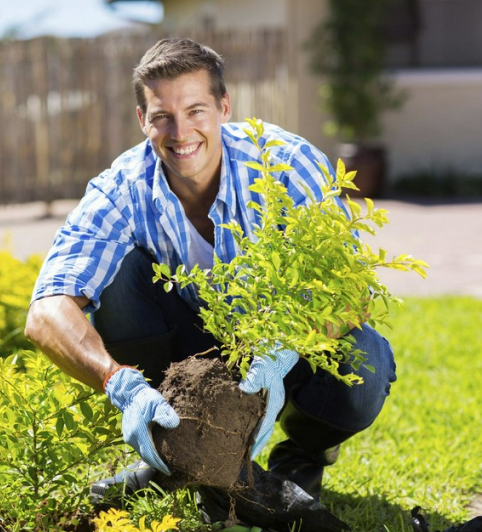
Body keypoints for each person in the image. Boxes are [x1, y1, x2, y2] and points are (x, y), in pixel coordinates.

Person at [24, 37, 396, 503]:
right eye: (162, 117)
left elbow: (351, 287)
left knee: (365, 361)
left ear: (223, 106)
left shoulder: (283, 163)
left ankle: (302, 454)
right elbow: (46, 311)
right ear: (143, 121)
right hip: (186, 352)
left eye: (196, 110)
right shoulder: (121, 187)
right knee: (115, 277)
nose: (180, 133)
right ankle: (175, 447)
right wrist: (117, 381)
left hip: (284, 344)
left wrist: (282, 350)